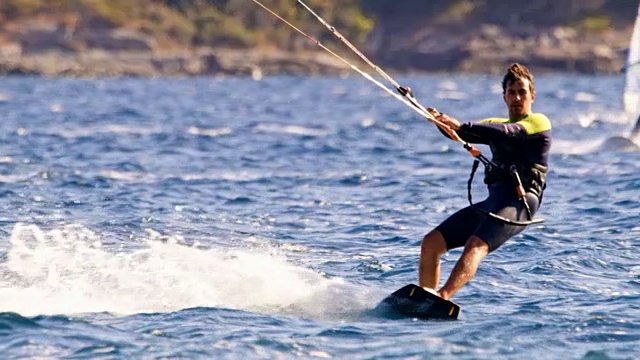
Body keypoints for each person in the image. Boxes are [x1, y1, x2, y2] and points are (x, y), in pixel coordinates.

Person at [418, 63, 552, 301]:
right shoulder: (495, 123)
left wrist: (460, 125)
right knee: (431, 243)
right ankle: (425, 298)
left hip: (520, 203)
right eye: (512, 92)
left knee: (475, 246)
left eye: (522, 92)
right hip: (493, 202)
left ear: (533, 95)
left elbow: (507, 131)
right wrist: (441, 122)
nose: (517, 97)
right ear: (504, 96)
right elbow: (464, 134)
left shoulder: (538, 123)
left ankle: (443, 297)